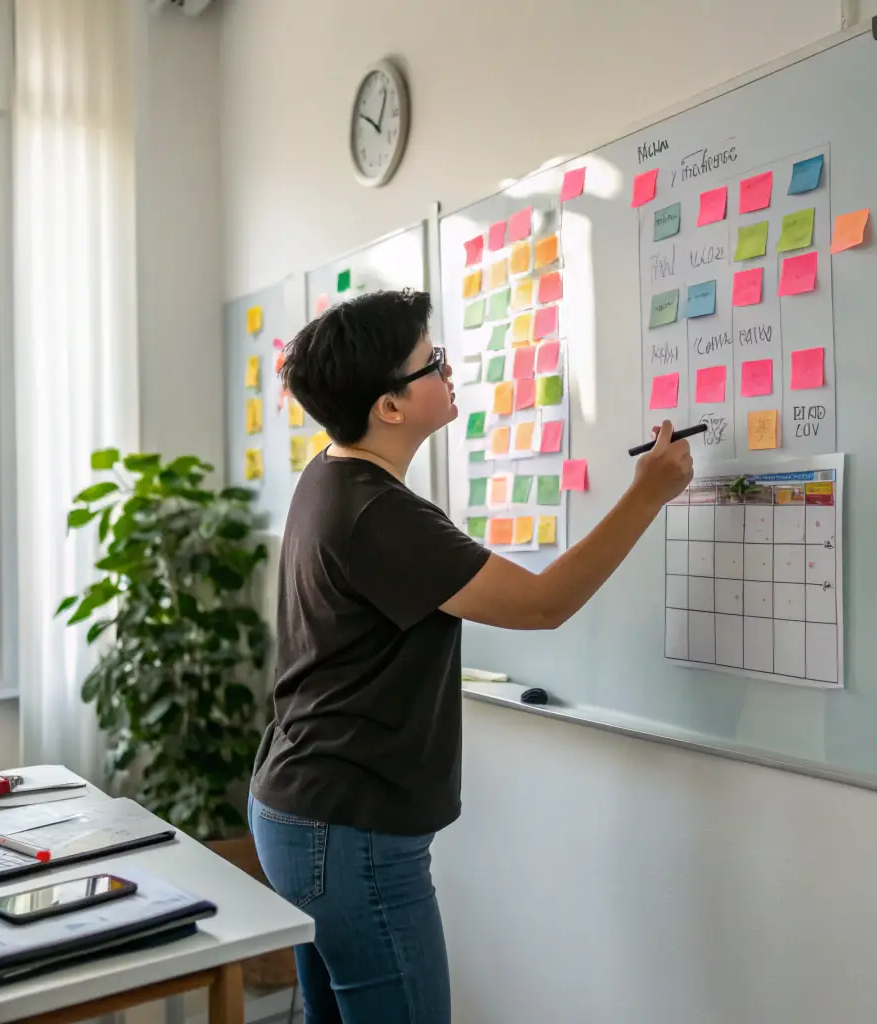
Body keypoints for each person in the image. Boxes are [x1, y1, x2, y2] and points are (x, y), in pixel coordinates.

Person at [249, 288, 693, 1024]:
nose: (449, 372)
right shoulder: (379, 515)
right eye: (433, 363)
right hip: (346, 830)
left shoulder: (331, 475)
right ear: (388, 407)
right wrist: (646, 494)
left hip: (305, 810)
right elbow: (543, 604)